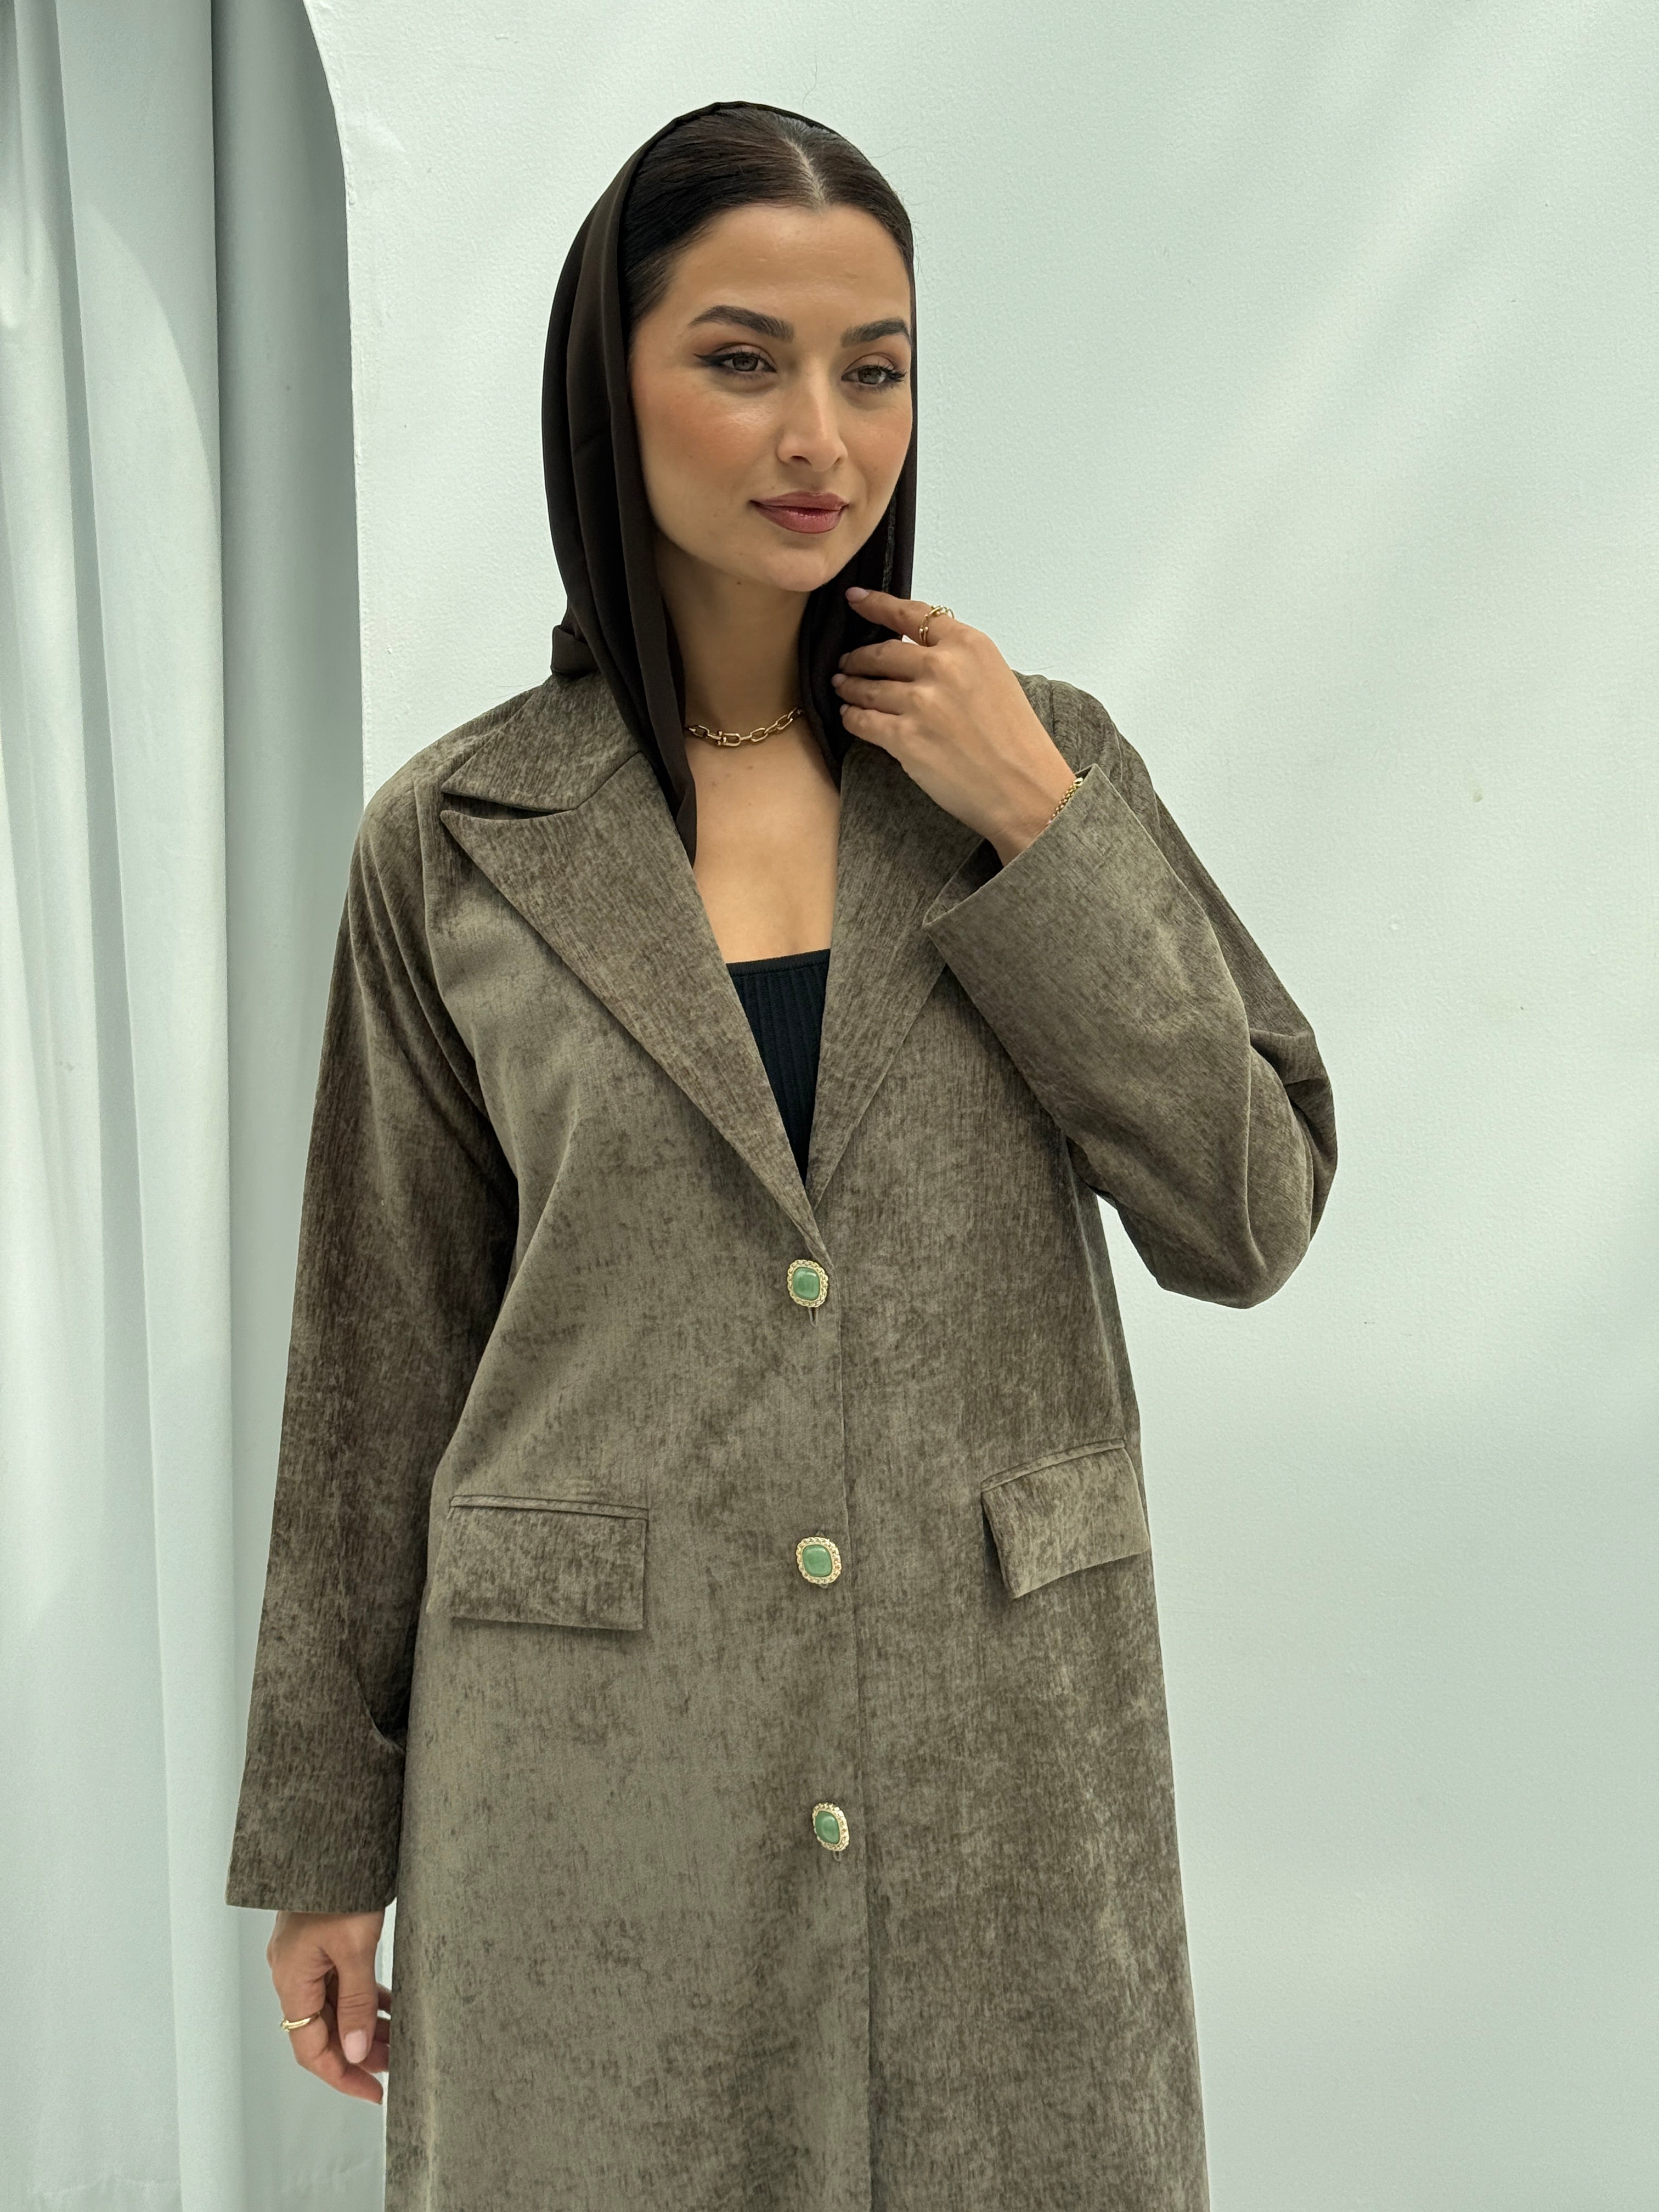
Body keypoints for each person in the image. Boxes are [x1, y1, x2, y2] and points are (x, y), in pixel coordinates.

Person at [225, 98, 1338, 2211]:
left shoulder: (1040, 766)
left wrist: (1042, 831)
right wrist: (323, 1844)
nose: (822, 434)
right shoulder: (459, 841)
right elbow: (375, 1364)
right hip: (590, 1773)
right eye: (742, 360)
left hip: (998, 1753)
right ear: (611, 384)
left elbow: (1250, 1211)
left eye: (875, 367)